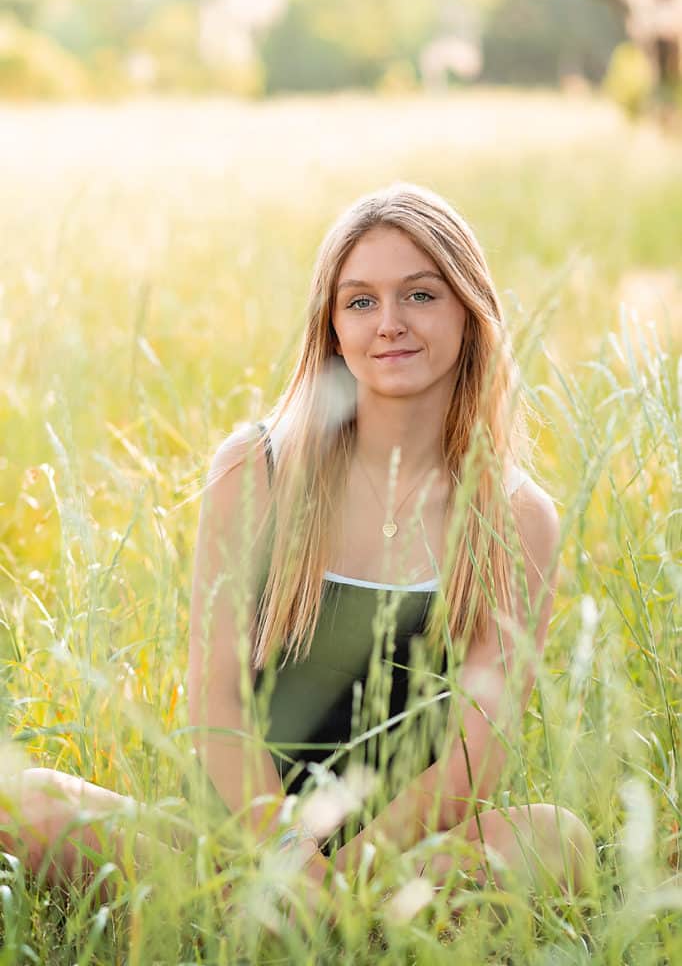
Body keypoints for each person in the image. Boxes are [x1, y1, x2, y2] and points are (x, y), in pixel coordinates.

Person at [0, 182, 593, 917]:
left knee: (553, 838)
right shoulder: (257, 469)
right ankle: (261, 914)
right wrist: (283, 857)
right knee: (17, 796)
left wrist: (343, 880)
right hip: (235, 844)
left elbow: (475, 755)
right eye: (361, 301)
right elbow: (215, 699)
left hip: (400, 859)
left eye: (421, 295)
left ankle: (337, 924)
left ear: (470, 314)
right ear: (333, 328)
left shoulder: (516, 516)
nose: (390, 324)